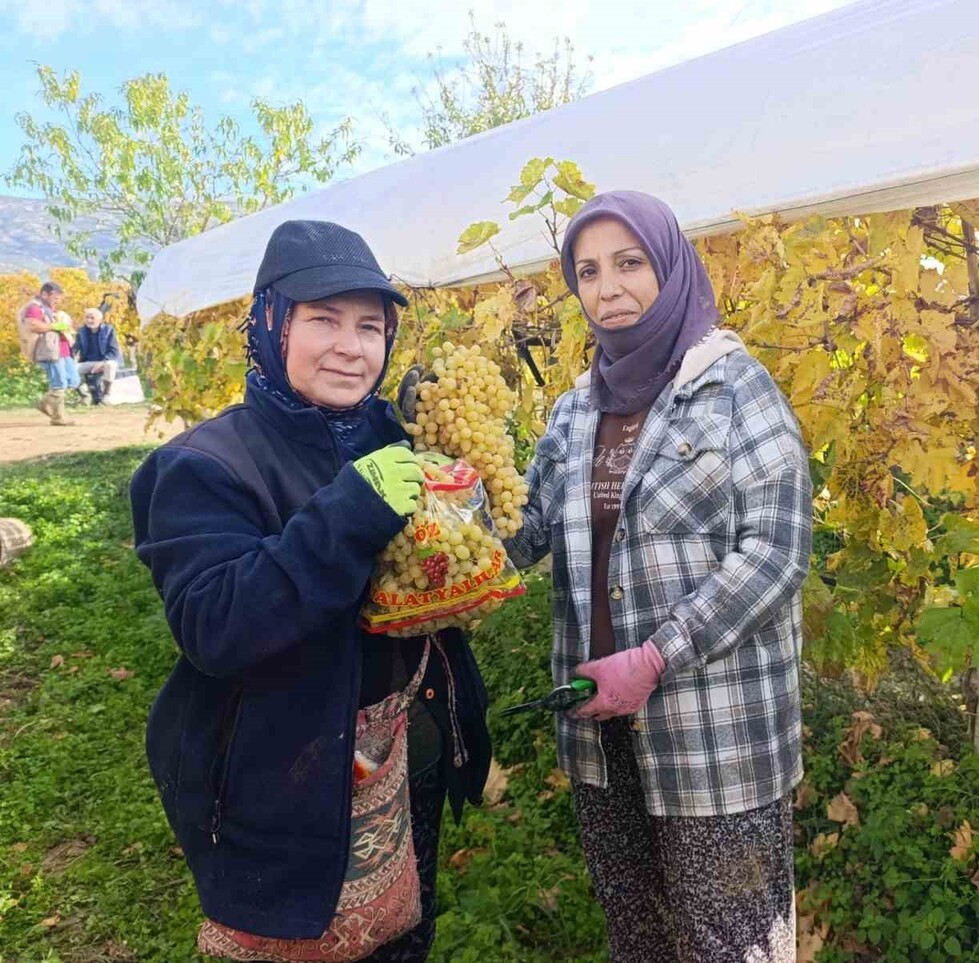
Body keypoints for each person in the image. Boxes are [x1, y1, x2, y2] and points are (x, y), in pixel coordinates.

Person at [130, 220, 490, 960]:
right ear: (270, 323)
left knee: (399, 937)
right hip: (282, 782)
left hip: (402, 757)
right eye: (323, 319)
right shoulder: (203, 466)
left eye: (370, 326)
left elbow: (433, 571)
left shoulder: (393, 435)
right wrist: (349, 511)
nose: (350, 347)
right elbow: (217, 625)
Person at [505, 191, 813, 963]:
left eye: (629, 263)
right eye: (588, 271)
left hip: (714, 737)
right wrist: (448, 478)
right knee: (637, 933)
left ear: (670, 267)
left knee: (729, 943)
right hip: (602, 737)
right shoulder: (578, 409)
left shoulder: (737, 389)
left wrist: (655, 657)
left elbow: (774, 551)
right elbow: (524, 531)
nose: (608, 288)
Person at [16, 281, 79, 426]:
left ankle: (45, 404)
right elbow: (32, 325)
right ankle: (58, 417)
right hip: (50, 350)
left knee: (73, 380)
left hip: (63, 350)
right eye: (54, 297)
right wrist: (54, 326)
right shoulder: (34, 307)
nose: (56, 300)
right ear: (44, 294)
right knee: (59, 383)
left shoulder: (50, 310)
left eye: (58, 297)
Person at [73, 307, 124, 404]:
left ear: (100, 320)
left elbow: (114, 351)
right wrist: (71, 358)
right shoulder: (81, 331)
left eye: (92, 318)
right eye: (87, 318)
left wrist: (102, 362)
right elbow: (75, 348)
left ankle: (106, 395)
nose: (89, 320)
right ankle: (86, 396)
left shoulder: (108, 330)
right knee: (72, 368)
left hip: (105, 361)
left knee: (110, 365)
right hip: (89, 362)